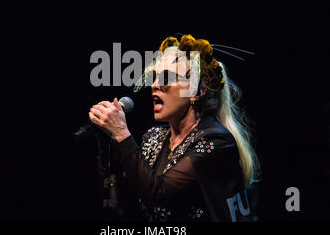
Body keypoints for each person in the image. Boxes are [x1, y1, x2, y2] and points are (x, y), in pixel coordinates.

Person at [89, 34, 259, 222]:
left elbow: (160, 195)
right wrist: (110, 144)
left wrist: (122, 134)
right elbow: (129, 195)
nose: (154, 85)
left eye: (167, 78)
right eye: (154, 78)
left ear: (197, 91)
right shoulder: (153, 138)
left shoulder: (215, 142)